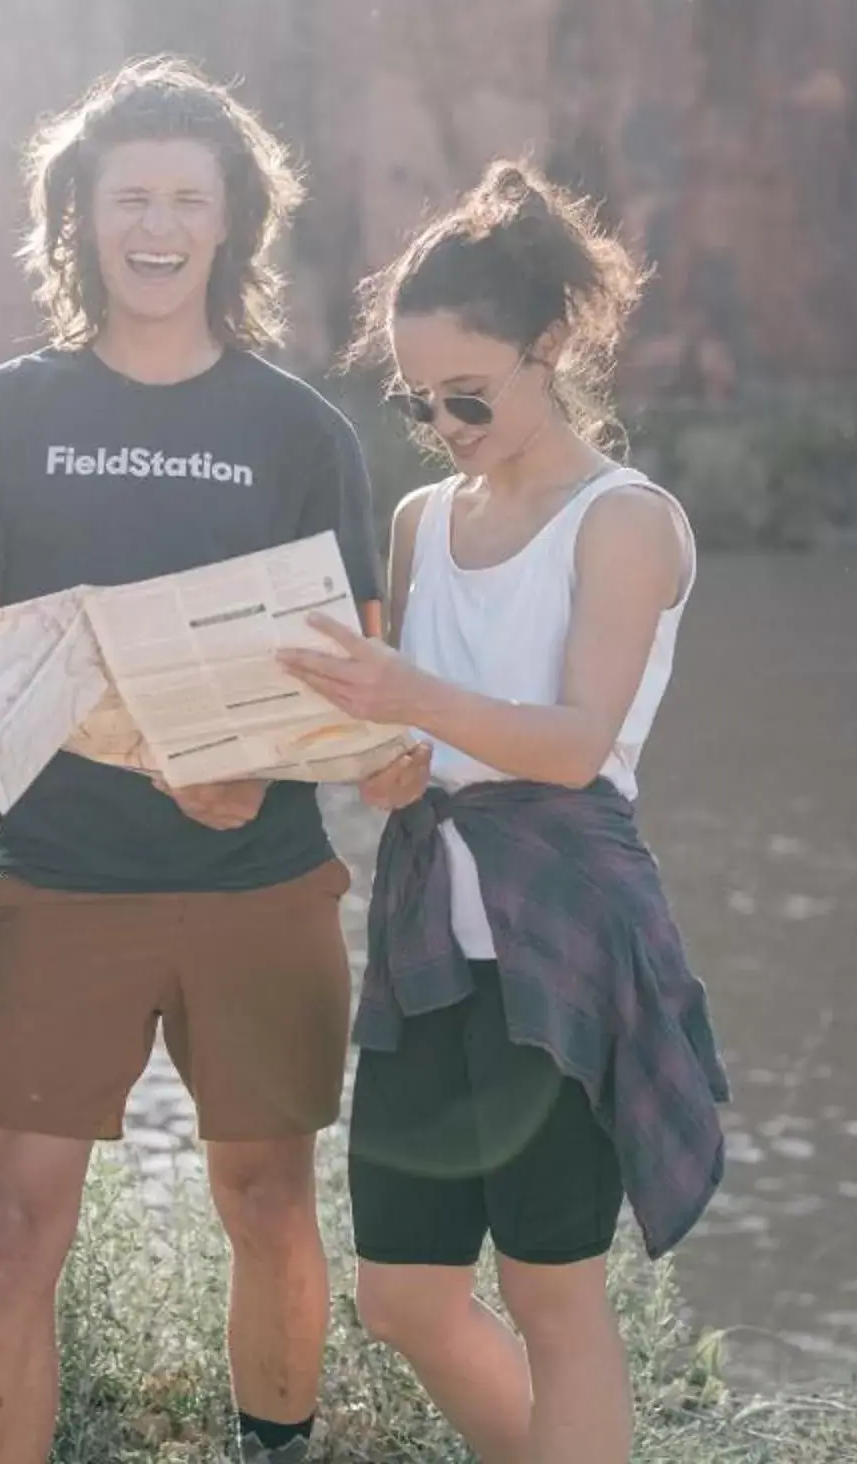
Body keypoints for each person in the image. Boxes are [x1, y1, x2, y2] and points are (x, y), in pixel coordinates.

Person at [0, 58, 380, 1464]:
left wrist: (285, 759)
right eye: (129, 198)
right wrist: (167, 760)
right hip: (62, 887)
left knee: (272, 1206)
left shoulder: (301, 432)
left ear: (234, 223)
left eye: (188, 197)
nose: (157, 226)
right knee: (12, 1226)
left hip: (268, 884)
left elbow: (350, 666)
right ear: (78, 218)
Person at [278, 160, 731, 1464]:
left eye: (468, 394)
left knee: (553, 1294)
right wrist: (384, 762)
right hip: (429, 936)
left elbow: (577, 745)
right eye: (421, 404)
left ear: (549, 350)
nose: (446, 423)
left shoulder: (624, 521)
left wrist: (411, 693)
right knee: (403, 1293)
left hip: (568, 929)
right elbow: (421, 741)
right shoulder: (422, 520)